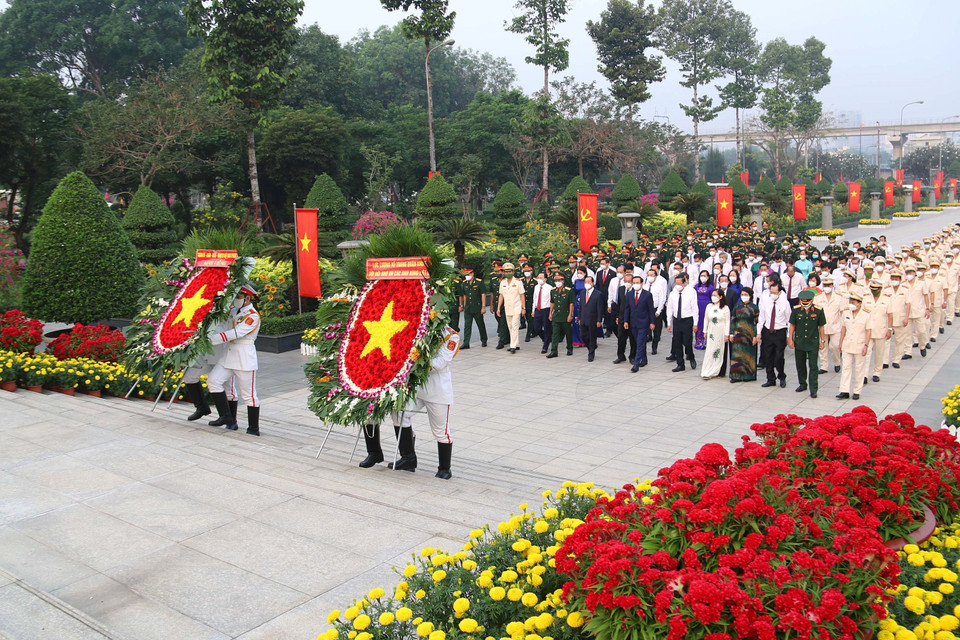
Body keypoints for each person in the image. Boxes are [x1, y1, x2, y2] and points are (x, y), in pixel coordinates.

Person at [363, 325, 460, 479]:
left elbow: (440, 362)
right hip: (417, 387)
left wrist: (412, 361)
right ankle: (408, 458)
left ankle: (444, 468)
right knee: (400, 413)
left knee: (440, 430)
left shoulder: (451, 336)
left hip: (437, 389)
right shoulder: (418, 327)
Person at [207, 284, 261, 436]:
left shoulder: (252, 316)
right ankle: (228, 418)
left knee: (249, 394)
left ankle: (253, 428)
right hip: (229, 355)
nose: (236, 299)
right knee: (213, 381)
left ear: (247, 298)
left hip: (244, 356)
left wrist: (211, 339)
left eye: (238, 296)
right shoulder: (234, 311)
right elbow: (224, 328)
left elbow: (236, 333)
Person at [788, 289, 826, 398]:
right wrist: (790, 339)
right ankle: (802, 383)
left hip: (812, 341)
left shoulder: (818, 310)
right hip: (800, 341)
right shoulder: (796, 310)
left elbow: (821, 326)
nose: (805, 303)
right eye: (803, 301)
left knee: (813, 366)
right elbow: (792, 325)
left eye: (807, 301)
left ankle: (813, 389)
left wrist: (822, 341)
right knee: (800, 364)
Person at [837, 292, 871, 400]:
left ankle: (857, 391)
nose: (851, 304)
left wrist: (866, 345)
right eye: (850, 302)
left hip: (860, 345)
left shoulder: (866, 314)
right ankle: (844, 390)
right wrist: (840, 342)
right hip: (847, 344)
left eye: (854, 302)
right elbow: (843, 328)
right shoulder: (846, 312)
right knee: (846, 367)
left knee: (859, 369)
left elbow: (868, 331)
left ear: (860, 303)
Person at [756, 280, 791, 388]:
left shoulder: (785, 303)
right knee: (768, 356)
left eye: (775, 293)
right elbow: (761, 318)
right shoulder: (766, 301)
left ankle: (781, 376)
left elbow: (789, 320)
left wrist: (789, 336)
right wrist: (759, 332)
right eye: (772, 292)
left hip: (780, 331)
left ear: (780, 292)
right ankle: (770, 378)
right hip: (768, 331)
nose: (773, 295)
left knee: (779, 357)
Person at [621, 276, 656, 372]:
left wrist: (652, 322)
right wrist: (626, 321)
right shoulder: (629, 294)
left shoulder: (647, 295)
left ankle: (636, 364)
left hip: (643, 323)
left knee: (640, 343)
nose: (636, 284)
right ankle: (644, 359)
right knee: (639, 342)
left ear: (642, 283)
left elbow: (651, 310)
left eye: (638, 282)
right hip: (633, 323)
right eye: (634, 282)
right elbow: (627, 308)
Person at [666, 273, 698, 372]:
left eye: (679, 283)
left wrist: (695, 323)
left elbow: (694, 308)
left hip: (687, 320)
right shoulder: (673, 293)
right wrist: (669, 322)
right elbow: (670, 308)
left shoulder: (691, 292)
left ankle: (691, 356)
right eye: (676, 283)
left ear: (684, 283)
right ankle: (680, 364)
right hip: (677, 320)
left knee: (687, 342)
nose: (677, 285)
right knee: (677, 342)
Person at [729, 287, 760, 383]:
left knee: (748, 354)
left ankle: (748, 375)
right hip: (738, 332)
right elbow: (733, 319)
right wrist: (731, 333)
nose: (744, 296)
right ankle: (736, 375)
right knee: (737, 354)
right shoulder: (737, 306)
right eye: (742, 294)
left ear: (750, 296)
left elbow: (757, 322)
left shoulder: (754, 307)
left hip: (749, 333)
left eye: (746, 295)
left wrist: (755, 335)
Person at [865, 281, 893, 382]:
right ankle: (864, 374)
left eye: (876, 289)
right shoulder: (866, 298)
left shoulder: (886, 299)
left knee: (879, 353)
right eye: (872, 289)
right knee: (866, 352)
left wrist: (890, 329)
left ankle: (877, 372)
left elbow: (890, 315)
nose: (874, 291)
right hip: (868, 330)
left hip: (881, 329)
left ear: (880, 289)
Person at [816, 277, 845, 374]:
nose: (827, 287)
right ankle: (824, 366)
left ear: (832, 286)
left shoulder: (838, 298)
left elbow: (842, 313)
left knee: (835, 346)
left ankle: (837, 362)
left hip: (835, 326)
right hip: (822, 326)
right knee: (822, 347)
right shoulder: (818, 297)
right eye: (825, 286)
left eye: (829, 285)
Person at [700, 289, 730, 380]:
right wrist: (705, 331)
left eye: (715, 295)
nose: (713, 297)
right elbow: (706, 319)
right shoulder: (709, 306)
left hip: (720, 331)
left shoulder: (725, 308)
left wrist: (726, 334)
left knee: (718, 351)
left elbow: (727, 322)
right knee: (709, 350)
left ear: (721, 297)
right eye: (712, 295)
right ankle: (707, 370)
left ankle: (716, 369)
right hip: (711, 330)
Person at [496, 262, 526, 353]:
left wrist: (523, 308)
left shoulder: (518, 282)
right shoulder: (502, 282)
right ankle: (516, 344)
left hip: (516, 307)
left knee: (515, 326)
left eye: (509, 271)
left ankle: (512, 346)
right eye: (506, 271)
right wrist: (498, 308)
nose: (508, 273)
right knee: (510, 326)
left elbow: (522, 295)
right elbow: (501, 296)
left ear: (513, 272)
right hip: (507, 307)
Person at [546, 273, 574, 358]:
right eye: (556, 280)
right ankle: (554, 351)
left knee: (568, 332)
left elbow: (571, 303)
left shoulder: (569, 291)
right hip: (556, 315)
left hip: (565, 314)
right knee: (555, 334)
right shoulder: (553, 290)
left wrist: (570, 314)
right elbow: (552, 302)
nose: (557, 282)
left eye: (559, 280)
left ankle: (569, 348)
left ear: (563, 281)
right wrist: (550, 313)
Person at [458, 268, 487, 349]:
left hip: (477, 307)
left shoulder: (479, 282)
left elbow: (483, 294)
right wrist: (463, 305)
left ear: (472, 273)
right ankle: (466, 343)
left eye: (469, 274)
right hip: (468, 308)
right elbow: (464, 295)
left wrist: (483, 307)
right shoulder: (464, 283)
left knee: (480, 324)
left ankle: (484, 339)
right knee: (467, 326)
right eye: (466, 275)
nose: (467, 276)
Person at [576, 276, 603, 362]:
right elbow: (581, 307)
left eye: (589, 282)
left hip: (593, 319)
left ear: (593, 283)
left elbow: (600, 308)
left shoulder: (598, 294)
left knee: (592, 337)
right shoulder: (583, 293)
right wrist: (579, 317)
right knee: (583, 336)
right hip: (583, 318)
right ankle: (591, 347)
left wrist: (599, 320)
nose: (587, 284)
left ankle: (591, 353)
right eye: (585, 282)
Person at [531, 272, 553, 354]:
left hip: (546, 310)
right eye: (538, 277)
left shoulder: (549, 288)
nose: (539, 279)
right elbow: (535, 299)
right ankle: (545, 338)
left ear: (545, 279)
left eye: (541, 277)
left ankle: (545, 346)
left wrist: (551, 312)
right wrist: (533, 310)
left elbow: (552, 301)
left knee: (547, 328)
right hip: (538, 309)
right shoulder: (536, 287)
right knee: (537, 328)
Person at [693, 270, 714, 349]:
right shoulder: (696, 286)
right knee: (698, 323)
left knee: (706, 323)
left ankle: (706, 342)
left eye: (705, 276)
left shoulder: (711, 287)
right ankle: (699, 341)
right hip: (697, 305)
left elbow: (712, 297)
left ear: (708, 277)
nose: (703, 277)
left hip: (706, 306)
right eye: (701, 275)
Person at [521, 265, 537, 342]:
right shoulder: (520, 281)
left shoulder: (535, 281)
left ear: (531, 271)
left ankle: (528, 334)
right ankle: (533, 331)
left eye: (528, 271)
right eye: (525, 271)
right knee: (527, 318)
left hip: (532, 302)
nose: (527, 273)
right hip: (523, 302)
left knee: (530, 319)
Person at [571, 267, 587, 347]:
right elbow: (573, 293)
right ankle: (577, 340)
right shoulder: (576, 281)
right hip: (577, 302)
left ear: (585, 273)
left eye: (581, 272)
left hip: (585, 302)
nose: (579, 274)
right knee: (576, 322)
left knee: (584, 322)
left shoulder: (587, 281)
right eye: (578, 273)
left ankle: (585, 340)